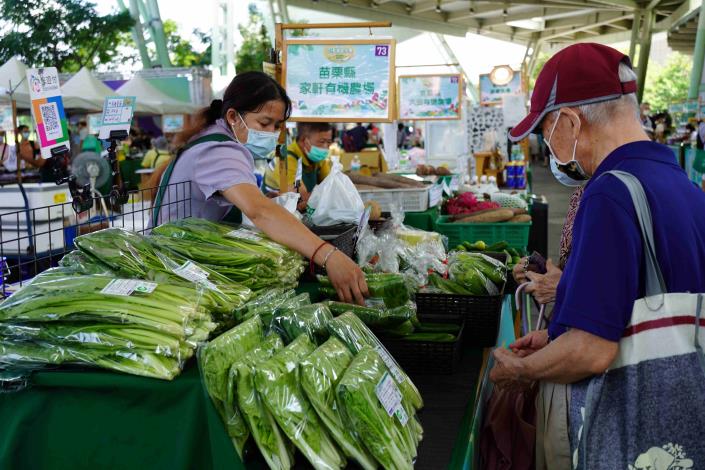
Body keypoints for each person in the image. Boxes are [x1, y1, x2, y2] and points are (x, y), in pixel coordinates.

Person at [490, 43, 705, 469]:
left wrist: (522, 371)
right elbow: (633, 301)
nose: (548, 146)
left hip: (625, 427)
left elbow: (591, 351)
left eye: (545, 130)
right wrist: (554, 338)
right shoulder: (682, 185)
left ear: (569, 119)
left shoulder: (610, 193)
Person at [150, 71, 368, 304]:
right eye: (264, 123)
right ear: (233, 116)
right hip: (179, 271)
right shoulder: (220, 151)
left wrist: (264, 197)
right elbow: (259, 211)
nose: (272, 133)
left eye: (277, 126)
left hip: (185, 259)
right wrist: (328, 255)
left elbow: (245, 201)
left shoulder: (214, 137)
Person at [263, 122, 334, 197]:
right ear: (304, 140)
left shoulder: (318, 158)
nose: (326, 147)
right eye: (322, 142)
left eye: (329, 142)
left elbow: (329, 184)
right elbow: (300, 196)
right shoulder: (287, 159)